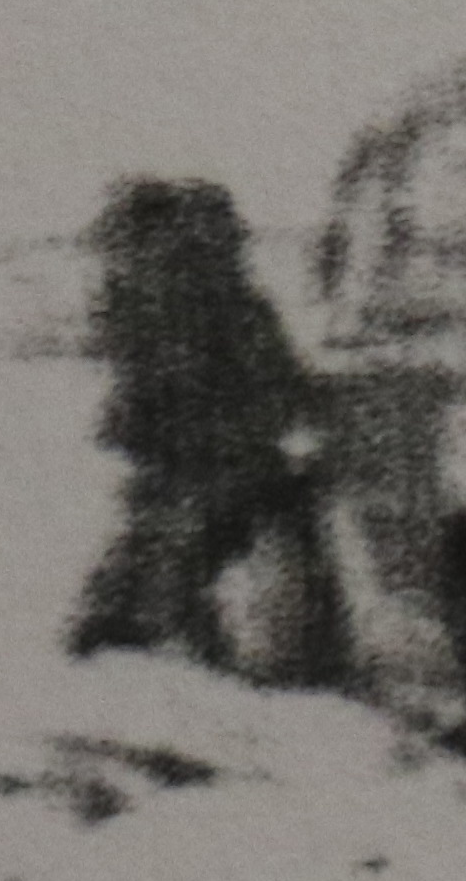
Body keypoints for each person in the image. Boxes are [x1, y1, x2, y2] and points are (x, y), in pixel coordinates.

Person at [65, 177, 340, 673]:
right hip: (214, 462)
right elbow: (278, 386)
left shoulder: (146, 298)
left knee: (163, 560)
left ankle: (132, 647)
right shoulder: (210, 301)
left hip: (208, 463)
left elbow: (268, 384)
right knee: (169, 560)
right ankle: (152, 647)